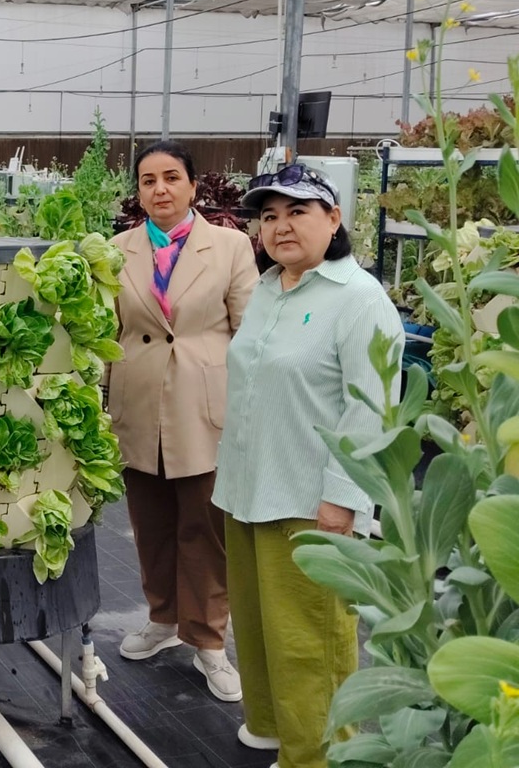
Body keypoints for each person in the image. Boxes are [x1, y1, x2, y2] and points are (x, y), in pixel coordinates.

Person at [214, 164, 402, 768]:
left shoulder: (357, 299)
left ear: (334, 218)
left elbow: (372, 407)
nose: (280, 226)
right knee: (260, 625)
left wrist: (343, 500)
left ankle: (320, 756)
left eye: (297, 211)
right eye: (269, 215)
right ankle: (273, 728)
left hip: (309, 499)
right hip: (248, 488)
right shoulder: (271, 287)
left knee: (310, 640)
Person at [107, 140, 258, 702]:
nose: (160, 189)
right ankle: (163, 619)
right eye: (148, 181)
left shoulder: (231, 247)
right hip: (138, 402)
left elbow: (247, 329)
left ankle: (210, 641)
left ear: (193, 185)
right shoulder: (118, 250)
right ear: (139, 192)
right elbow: (108, 332)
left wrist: (245, 406)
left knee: (204, 525)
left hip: (204, 403)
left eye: (171, 178)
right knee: (150, 521)